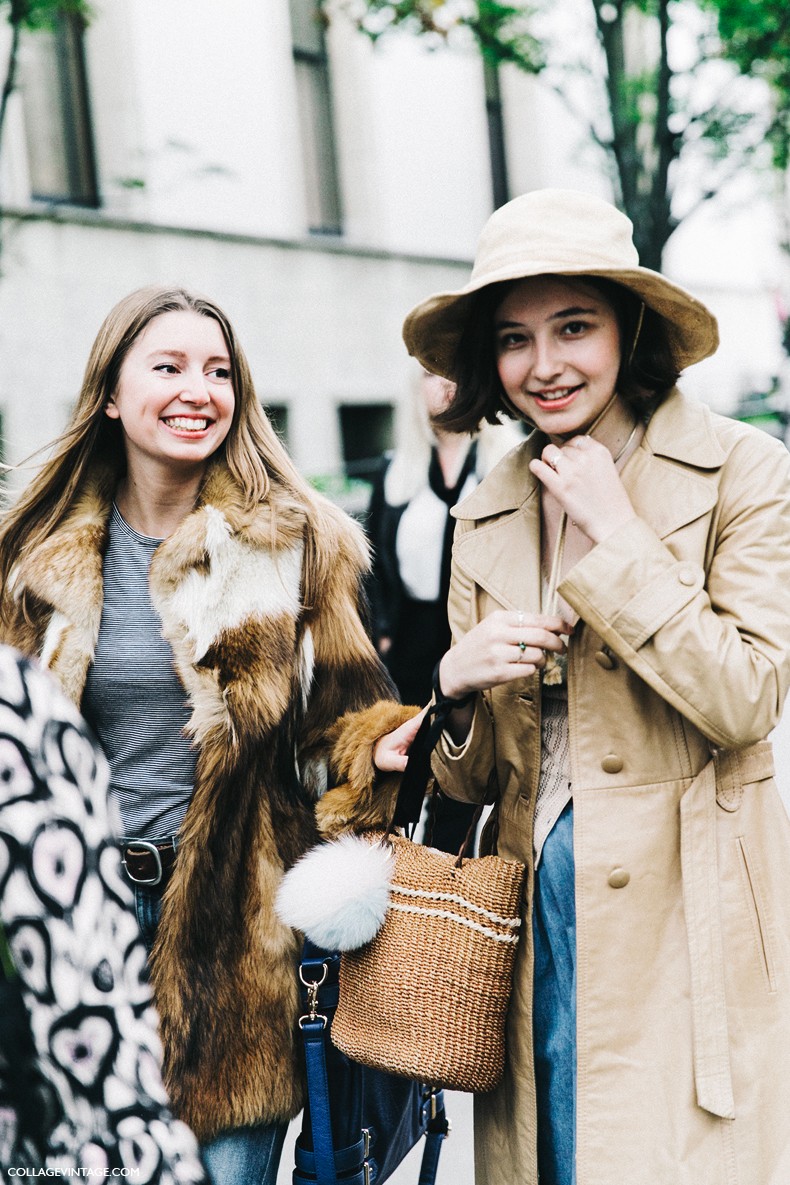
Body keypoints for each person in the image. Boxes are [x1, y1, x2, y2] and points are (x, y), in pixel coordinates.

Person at [317, 190, 790, 1185]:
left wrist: (619, 536)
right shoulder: (487, 508)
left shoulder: (742, 471)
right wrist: (449, 690)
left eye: (574, 326)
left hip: (692, 913)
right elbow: (471, 782)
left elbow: (748, 698)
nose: (545, 366)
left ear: (630, 328)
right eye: (514, 339)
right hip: (532, 917)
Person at [0, 286, 419, 1185]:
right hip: (73, 931)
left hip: (237, 941)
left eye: (219, 370)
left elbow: (343, 718)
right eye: (169, 366)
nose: (199, 388)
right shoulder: (31, 552)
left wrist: (372, 748)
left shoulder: (295, 546)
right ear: (111, 394)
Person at [0, 644, 206, 1183]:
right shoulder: (17, 703)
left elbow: (336, 709)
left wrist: (366, 747)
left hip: (225, 937)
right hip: (88, 904)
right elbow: (84, 1050)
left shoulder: (292, 557)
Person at [367, 362, 520, 851]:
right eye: (431, 374)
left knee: (473, 779)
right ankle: (417, 893)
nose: (446, 383)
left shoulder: (509, 460)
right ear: (415, 388)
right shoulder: (396, 471)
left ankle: (466, 887)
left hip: (481, 639)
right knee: (409, 776)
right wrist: (383, 630)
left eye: (452, 371)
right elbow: (374, 560)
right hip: (410, 645)